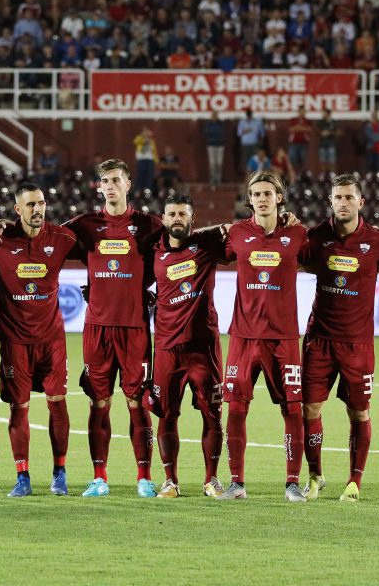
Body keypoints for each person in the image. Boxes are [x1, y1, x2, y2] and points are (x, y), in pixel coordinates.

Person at [61, 159, 164, 497]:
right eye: (105, 180)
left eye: (116, 180)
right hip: (98, 329)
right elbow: (46, 238)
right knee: (98, 402)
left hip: (134, 327)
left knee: (137, 402)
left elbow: (181, 241)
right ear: (99, 186)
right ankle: (99, 477)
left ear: (128, 184)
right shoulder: (85, 225)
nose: (110, 185)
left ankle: (144, 478)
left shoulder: (148, 225)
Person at [299, 174, 379, 502]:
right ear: (330, 201)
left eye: (349, 198)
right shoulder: (314, 239)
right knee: (310, 409)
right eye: (337, 197)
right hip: (318, 340)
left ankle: (354, 480)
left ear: (360, 202)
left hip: (357, 345)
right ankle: (314, 476)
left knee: (358, 412)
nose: (343, 203)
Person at [216, 171, 309, 503]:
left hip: (283, 337)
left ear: (279, 197)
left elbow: (324, 261)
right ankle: (237, 483)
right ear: (249, 199)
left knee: (292, 409)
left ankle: (292, 483)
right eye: (256, 193)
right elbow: (201, 250)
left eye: (268, 193)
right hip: (243, 336)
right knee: (236, 408)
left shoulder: (298, 235)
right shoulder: (236, 233)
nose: (262, 198)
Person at [0, 183, 79, 497]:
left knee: (58, 404)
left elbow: (103, 252)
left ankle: (60, 473)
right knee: (19, 408)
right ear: (17, 209)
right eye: (30, 205)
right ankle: (22, 477)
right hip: (15, 342)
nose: (37, 209)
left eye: (41, 203)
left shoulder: (63, 238)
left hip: (52, 340)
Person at [149, 193, 226, 499]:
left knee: (212, 415)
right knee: (167, 415)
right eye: (172, 214)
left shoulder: (207, 246)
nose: (177, 218)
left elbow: (242, 234)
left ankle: (211, 480)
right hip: (167, 348)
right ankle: (170, 481)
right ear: (163, 219)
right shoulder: (151, 252)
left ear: (192, 219)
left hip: (204, 349)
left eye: (183, 214)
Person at [202, 111, 226, 184]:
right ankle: (212, 179)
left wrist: (214, 132)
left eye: (216, 115)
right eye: (213, 115)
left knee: (219, 163)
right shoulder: (208, 124)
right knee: (212, 163)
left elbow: (222, 132)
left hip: (220, 145)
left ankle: (218, 179)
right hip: (211, 145)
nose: (214, 117)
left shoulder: (221, 123)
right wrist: (214, 132)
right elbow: (205, 132)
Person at [132, 127, 157, 193]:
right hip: (141, 160)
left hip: (150, 160)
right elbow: (135, 141)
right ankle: (137, 191)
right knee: (140, 175)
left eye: (147, 131)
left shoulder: (151, 141)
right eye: (145, 131)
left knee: (149, 177)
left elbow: (154, 151)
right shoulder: (139, 138)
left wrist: (156, 160)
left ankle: (148, 192)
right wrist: (145, 139)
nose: (146, 133)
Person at [287, 107, 311, 172]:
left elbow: (308, 129)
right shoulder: (293, 120)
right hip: (294, 142)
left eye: (304, 111)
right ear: (299, 112)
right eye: (301, 111)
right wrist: (302, 128)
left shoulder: (307, 120)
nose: (302, 113)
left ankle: (301, 174)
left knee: (303, 159)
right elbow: (291, 129)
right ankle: (294, 173)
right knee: (292, 158)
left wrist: (298, 128)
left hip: (303, 143)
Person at [317, 108, 338, 173]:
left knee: (332, 162)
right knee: (323, 162)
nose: (323, 114)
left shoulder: (334, 122)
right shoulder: (320, 122)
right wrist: (322, 133)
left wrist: (329, 133)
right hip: (322, 144)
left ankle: (332, 176)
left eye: (324, 113)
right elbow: (317, 131)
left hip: (331, 144)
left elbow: (338, 132)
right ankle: (323, 176)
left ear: (328, 114)